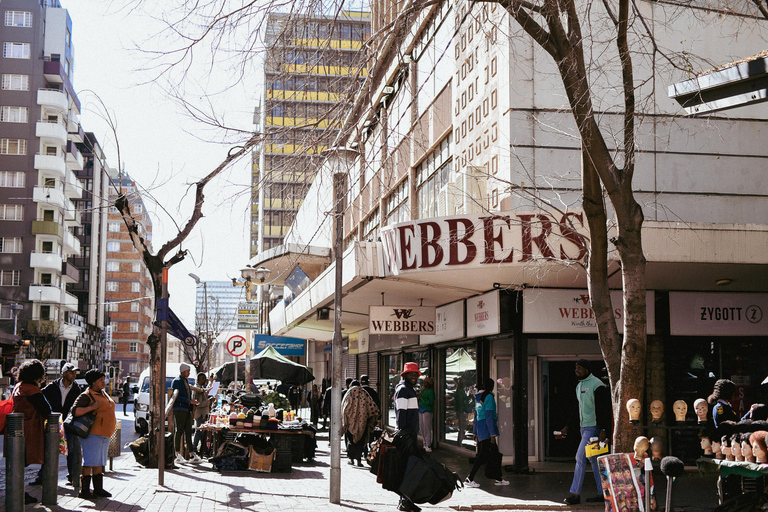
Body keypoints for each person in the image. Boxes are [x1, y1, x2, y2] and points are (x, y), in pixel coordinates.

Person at [562, 359, 611, 505]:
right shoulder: (579, 386)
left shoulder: (597, 385)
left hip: (594, 428)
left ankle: (575, 494)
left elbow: (604, 410)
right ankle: (602, 493)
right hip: (583, 428)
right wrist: (567, 426)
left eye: (579, 368)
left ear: (587, 370)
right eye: (575, 368)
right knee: (594, 460)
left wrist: (603, 429)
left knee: (580, 457)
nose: (576, 370)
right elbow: (578, 409)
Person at [5, 359, 51, 504]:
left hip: (13, 428)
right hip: (28, 429)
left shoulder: (19, 386)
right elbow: (46, 409)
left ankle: (15, 492)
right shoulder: (32, 390)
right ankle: (19, 494)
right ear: (38, 374)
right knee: (21, 461)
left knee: (16, 461)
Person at [71, 368, 116, 498]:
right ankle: (84, 491)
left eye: (103, 379)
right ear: (93, 382)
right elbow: (75, 411)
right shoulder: (86, 395)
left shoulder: (102, 393)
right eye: (100, 380)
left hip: (104, 434)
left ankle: (98, 489)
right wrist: (91, 407)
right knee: (90, 461)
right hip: (93, 434)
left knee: (99, 461)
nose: (103, 382)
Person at [37, 362, 83, 486]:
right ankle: (42, 476)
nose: (74, 375)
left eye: (75, 372)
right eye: (71, 372)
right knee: (49, 448)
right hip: (53, 421)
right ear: (64, 373)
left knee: (71, 449)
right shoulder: (53, 386)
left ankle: (73, 476)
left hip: (69, 423)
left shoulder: (76, 389)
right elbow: (40, 397)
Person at [464, 377, 509, 487]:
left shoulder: (478, 398)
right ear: (492, 386)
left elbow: (476, 415)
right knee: (483, 456)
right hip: (487, 430)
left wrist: (475, 431)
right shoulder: (489, 397)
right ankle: (470, 478)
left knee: (494, 454)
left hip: (481, 428)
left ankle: (498, 478)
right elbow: (489, 416)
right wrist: (492, 434)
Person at [394, 362, 421, 512]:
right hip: (407, 435)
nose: (414, 376)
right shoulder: (404, 390)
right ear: (404, 375)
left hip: (409, 434)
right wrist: (406, 434)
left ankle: (405, 500)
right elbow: (401, 415)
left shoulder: (408, 390)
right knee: (408, 468)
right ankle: (405, 501)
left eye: (416, 374)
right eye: (411, 374)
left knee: (408, 467)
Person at [341, 380, 379, 467]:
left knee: (351, 440)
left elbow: (344, 408)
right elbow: (373, 407)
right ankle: (359, 460)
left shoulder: (349, 393)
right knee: (360, 442)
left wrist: (345, 420)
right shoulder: (364, 393)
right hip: (363, 422)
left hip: (350, 423)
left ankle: (351, 459)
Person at [171, 363, 202, 464]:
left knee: (188, 431)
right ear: (183, 371)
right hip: (179, 409)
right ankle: (177, 454)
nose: (189, 373)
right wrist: (189, 401)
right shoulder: (177, 381)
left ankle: (192, 454)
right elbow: (176, 396)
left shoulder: (185, 380)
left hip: (186, 409)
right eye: (187, 371)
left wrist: (191, 401)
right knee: (179, 430)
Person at [192, 372, 213, 455]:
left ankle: (205, 449)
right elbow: (199, 403)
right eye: (203, 379)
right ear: (200, 379)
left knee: (201, 432)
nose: (205, 381)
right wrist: (209, 401)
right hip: (200, 414)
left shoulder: (201, 388)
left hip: (203, 413)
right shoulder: (197, 389)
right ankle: (194, 448)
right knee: (199, 431)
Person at [418, 376, 435, 452]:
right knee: (421, 428)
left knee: (427, 428)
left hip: (427, 411)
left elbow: (430, 402)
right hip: (421, 410)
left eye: (426, 383)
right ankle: (424, 443)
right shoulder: (423, 390)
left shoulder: (431, 392)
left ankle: (428, 444)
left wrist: (422, 398)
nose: (424, 384)